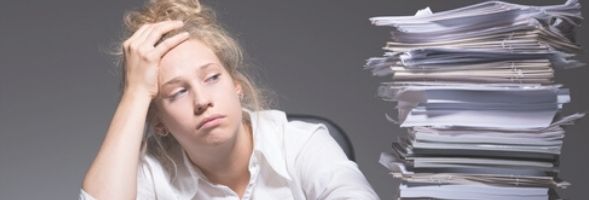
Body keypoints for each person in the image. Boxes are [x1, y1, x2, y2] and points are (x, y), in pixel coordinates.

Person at [80, 0, 379, 199]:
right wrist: (135, 95)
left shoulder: (302, 145)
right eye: (177, 92)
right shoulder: (152, 174)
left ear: (237, 86)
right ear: (159, 123)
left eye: (212, 78)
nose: (202, 100)